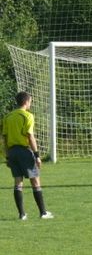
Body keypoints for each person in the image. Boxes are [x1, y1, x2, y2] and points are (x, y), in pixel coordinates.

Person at [3, 92, 54, 220]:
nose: (30, 103)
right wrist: (37, 155)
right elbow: (30, 136)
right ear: (26, 102)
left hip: (12, 152)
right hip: (24, 152)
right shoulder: (28, 116)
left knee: (18, 182)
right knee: (35, 181)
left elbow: (3, 138)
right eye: (30, 101)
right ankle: (43, 213)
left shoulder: (8, 117)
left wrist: (7, 156)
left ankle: (22, 214)